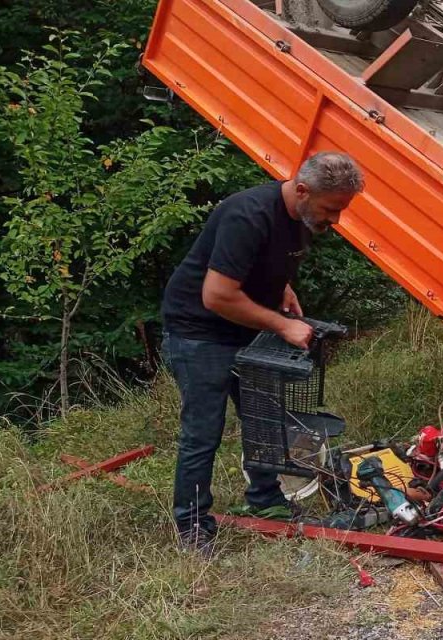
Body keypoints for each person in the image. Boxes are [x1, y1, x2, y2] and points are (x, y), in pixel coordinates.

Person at [161, 151, 365, 553]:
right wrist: (282, 324)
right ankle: (192, 525)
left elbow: (265, 264)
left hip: (247, 327)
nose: (336, 220)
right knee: (203, 432)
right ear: (302, 191)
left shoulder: (304, 219)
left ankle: (265, 501)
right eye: (331, 209)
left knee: (265, 420)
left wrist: (282, 289)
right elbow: (217, 295)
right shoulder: (247, 215)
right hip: (200, 332)